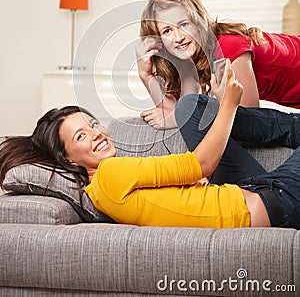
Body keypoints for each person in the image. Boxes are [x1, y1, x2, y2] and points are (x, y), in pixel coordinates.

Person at [1, 60, 300, 229]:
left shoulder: (105, 188)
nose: (95, 134)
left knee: (190, 107)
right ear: (68, 159)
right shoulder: (109, 175)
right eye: (80, 136)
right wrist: (229, 105)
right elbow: (201, 163)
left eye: (92, 125)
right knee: (200, 108)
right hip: (275, 203)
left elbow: (185, 187)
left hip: (254, 191)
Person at [136, 0, 300, 128]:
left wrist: (179, 120)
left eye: (184, 24)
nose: (178, 37)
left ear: (199, 21)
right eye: (167, 31)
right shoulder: (192, 59)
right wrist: (146, 75)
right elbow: (176, 111)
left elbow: (250, 120)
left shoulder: (226, 49)